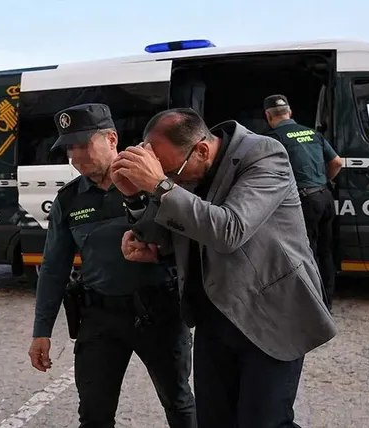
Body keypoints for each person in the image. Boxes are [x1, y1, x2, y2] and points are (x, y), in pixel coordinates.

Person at [110, 108, 338, 428]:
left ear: (202, 150)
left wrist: (160, 185)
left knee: (264, 423)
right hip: (214, 314)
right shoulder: (183, 168)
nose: (175, 181)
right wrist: (135, 199)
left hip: (269, 312)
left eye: (174, 173)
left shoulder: (264, 155)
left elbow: (228, 230)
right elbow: (167, 229)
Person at [28, 103, 196, 428]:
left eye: (83, 144)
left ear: (112, 139)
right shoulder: (69, 200)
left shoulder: (153, 183)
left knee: (179, 404)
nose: (76, 157)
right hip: (100, 318)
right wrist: (41, 331)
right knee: (94, 414)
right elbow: (53, 269)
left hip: (160, 313)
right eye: (69, 148)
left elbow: (190, 242)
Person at [262, 94, 343, 311]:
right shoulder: (313, 133)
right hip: (325, 196)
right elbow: (337, 162)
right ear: (290, 112)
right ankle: (327, 304)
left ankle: (312, 306)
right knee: (325, 252)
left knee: (306, 253)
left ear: (268, 116)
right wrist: (324, 181)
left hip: (304, 201)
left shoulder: (272, 139)